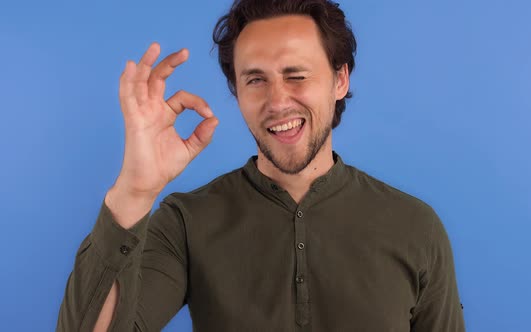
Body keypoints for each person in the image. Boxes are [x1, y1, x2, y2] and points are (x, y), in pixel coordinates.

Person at [57, 0, 465, 331]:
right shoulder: (185, 222)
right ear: (236, 92)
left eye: (296, 75)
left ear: (340, 80)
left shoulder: (416, 226)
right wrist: (135, 190)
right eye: (255, 80)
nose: (277, 101)